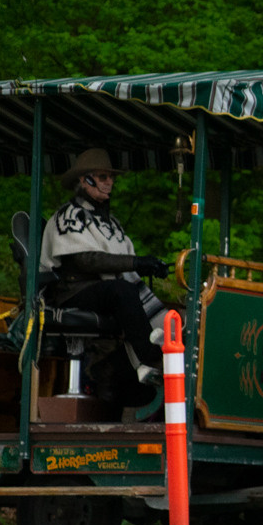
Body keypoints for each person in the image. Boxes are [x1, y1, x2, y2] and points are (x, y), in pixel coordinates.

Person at [40, 149, 172, 382]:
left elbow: (121, 260)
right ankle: (149, 359)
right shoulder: (68, 216)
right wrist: (136, 263)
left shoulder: (110, 223)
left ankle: (136, 369)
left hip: (104, 290)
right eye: (103, 177)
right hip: (71, 291)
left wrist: (147, 265)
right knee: (121, 292)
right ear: (84, 180)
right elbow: (86, 260)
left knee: (141, 298)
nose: (110, 182)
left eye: (111, 177)